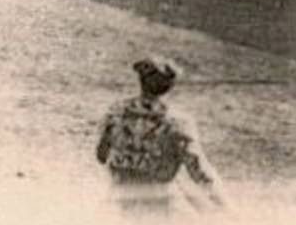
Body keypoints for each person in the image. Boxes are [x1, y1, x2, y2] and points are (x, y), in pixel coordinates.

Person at [96, 56, 226, 215]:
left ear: (141, 81)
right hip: (159, 207)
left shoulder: (115, 112)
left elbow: (101, 156)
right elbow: (200, 172)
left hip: (118, 201)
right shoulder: (178, 122)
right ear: (170, 85)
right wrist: (226, 206)